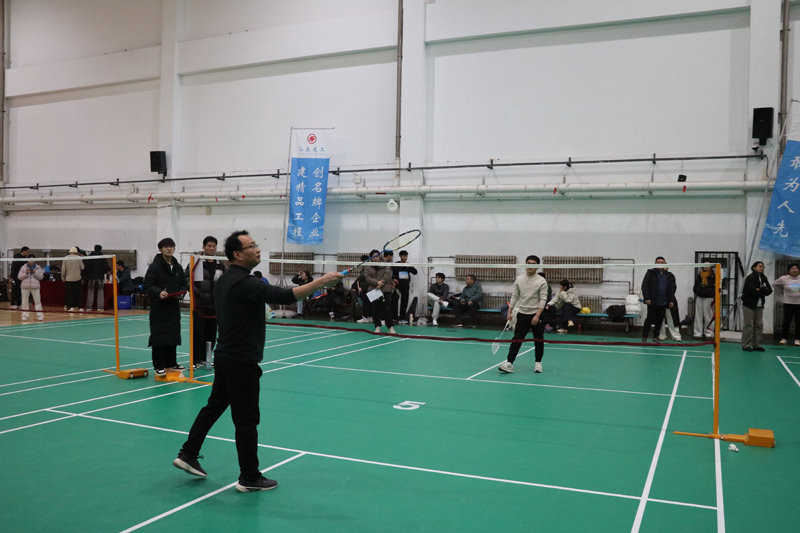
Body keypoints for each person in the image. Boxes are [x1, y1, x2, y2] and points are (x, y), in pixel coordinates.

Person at [173, 230, 343, 492]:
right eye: (251, 246)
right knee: (246, 420)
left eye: (256, 245)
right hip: (241, 361)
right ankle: (249, 477)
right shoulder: (245, 282)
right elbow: (286, 295)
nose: (257, 249)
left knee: (214, 406)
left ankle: (188, 453)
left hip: (225, 355)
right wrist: (321, 282)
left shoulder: (225, 279)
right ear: (237, 254)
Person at [143, 238, 189, 376]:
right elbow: (147, 286)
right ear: (160, 249)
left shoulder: (177, 266)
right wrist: (159, 292)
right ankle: (159, 366)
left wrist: (181, 293)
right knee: (159, 337)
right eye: (166, 247)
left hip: (173, 307)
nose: (169, 249)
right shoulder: (155, 267)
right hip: (159, 307)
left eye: (171, 246)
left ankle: (171, 363)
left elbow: (183, 283)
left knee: (173, 335)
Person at [500, 255, 548, 374]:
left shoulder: (541, 281)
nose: (530, 266)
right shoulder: (519, 279)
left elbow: (543, 299)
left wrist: (537, 315)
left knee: (538, 340)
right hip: (522, 314)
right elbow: (515, 295)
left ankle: (538, 363)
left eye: (533, 264)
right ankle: (509, 363)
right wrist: (510, 311)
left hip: (536, 314)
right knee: (517, 339)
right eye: (528, 263)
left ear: (537, 266)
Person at [187, 236, 226, 369]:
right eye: (209, 246)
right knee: (198, 333)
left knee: (211, 334)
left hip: (214, 306)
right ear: (203, 247)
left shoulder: (220, 264)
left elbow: (224, 281)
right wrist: (197, 294)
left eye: (214, 246)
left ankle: (206, 359)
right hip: (200, 305)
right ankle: (195, 360)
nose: (212, 248)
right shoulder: (197, 262)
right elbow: (187, 279)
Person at [641, 257, 676, 345]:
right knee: (649, 319)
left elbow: (671, 289)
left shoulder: (668, 275)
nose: (660, 264)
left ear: (665, 264)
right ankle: (644, 337)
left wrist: (671, 300)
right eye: (658, 262)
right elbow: (645, 286)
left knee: (659, 320)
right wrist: (647, 298)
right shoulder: (650, 273)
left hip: (664, 301)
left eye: (662, 262)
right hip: (652, 301)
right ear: (655, 263)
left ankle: (655, 337)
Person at [741, 261, 772, 352]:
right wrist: (762, 292)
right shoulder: (750, 278)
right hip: (749, 305)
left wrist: (760, 289)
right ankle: (746, 345)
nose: (762, 268)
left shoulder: (764, 278)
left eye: (763, 267)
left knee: (759, 325)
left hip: (759, 305)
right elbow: (751, 291)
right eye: (759, 266)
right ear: (754, 268)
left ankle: (757, 345)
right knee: (748, 325)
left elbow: (769, 290)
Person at [364, 250, 396, 333]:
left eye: (377, 256)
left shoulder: (386, 264)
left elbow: (387, 275)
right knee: (375, 310)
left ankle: (390, 327)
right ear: (371, 258)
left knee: (387, 309)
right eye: (374, 257)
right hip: (374, 290)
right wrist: (376, 282)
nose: (376, 258)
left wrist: (381, 283)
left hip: (385, 289)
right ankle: (377, 326)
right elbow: (367, 278)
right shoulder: (368, 267)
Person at [772, 263, 800, 346]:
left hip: (799, 303)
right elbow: (774, 284)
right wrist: (781, 291)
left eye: (796, 268)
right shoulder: (784, 278)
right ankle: (784, 338)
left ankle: (797, 339)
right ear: (789, 271)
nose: (795, 270)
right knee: (786, 321)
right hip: (788, 303)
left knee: (798, 322)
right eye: (792, 269)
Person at [392, 251, 418, 324]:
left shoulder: (407, 265)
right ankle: (394, 318)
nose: (405, 257)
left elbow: (415, 272)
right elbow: (390, 273)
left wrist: (410, 266)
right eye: (404, 256)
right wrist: (393, 279)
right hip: (397, 286)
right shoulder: (395, 264)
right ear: (400, 256)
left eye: (406, 256)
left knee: (404, 302)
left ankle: (402, 318)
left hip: (405, 286)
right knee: (394, 302)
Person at [692, 263, 716, 340]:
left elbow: (714, 287)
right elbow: (696, 286)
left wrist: (707, 291)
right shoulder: (699, 275)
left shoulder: (714, 275)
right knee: (698, 316)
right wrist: (698, 290)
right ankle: (697, 333)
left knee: (708, 316)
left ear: (711, 266)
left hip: (709, 298)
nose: (706, 267)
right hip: (699, 297)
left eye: (708, 265)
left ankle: (709, 333)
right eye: (705, 265)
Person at [18, 254, 44, 322]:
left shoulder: (38, 267)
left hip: (35, 287)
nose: (31, 261)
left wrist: (35, 273)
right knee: (24, 301)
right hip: (25, 287)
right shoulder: (23, 267)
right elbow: (19, 277)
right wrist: (25, 273)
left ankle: (40, 315)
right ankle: (25, 315)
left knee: (37, 301)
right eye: (30, 260)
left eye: (32, 260)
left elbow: (41, 277)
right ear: (27, 260)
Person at [84, 244, 111, 312]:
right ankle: (100, 307)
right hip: (100, 276)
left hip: (91, 276)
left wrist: (88, 274)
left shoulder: (90, 256)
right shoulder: (103, 257)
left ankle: (89, 307)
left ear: (94, 249)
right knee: (100, 291)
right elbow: (105, 267)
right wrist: (103, 272)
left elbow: (87, 266)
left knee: (90, 291)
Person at [658, 267, 681, 342]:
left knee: (672, 318)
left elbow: (673, 288)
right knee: (660, 318)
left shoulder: (670, 276)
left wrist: (671, 300)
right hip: (658, 300)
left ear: (667, 267)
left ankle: (676, 336)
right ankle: (661, 335)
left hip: (669, 299)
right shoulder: (654, 275)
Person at [62, 247, 84, 312]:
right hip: (77, 278)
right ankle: (80, 307)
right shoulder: (79, 258)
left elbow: (63, 269)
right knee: (79, 293)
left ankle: (71, 307)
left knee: (70, 293)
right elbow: (82, 267)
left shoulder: (65, 258)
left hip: (68, 278)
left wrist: (63, 277)